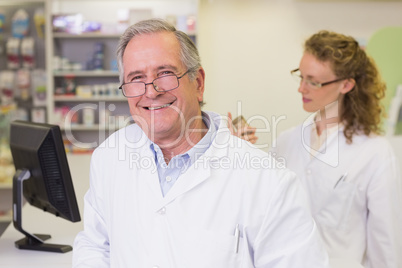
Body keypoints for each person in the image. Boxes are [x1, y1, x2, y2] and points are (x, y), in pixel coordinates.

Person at [72, 19, 329, 267]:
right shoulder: (109, 157)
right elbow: (95, 245)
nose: (151, 91)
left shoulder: (269, 181)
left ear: (198, 82)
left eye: (165, 73)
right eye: (136, 78)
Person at [270, 30, 402, 267]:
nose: (302, 88)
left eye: (313, 81)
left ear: (346, 84)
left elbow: (385, 247)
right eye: (301, 76)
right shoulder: (286, 142)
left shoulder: (374, 153)